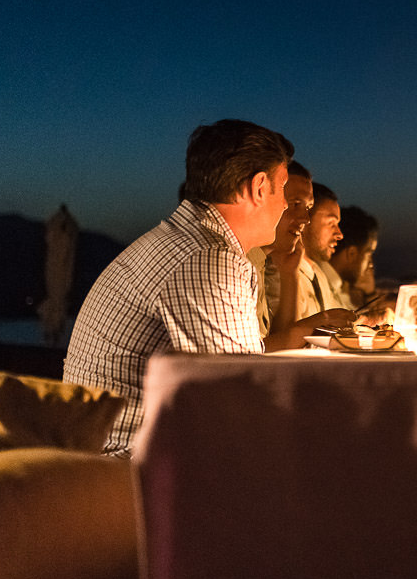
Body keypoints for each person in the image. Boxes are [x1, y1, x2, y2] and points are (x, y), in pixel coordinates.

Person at [63, 119, 301, 457]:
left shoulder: (181, 240)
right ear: (260, 187)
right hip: (125, 468)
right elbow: (240, 398)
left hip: (103, 453)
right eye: (283, 189)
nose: (285, 206)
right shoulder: (208, 259)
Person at [245, 161, 351, 346]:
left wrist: (289, 274)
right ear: (259, 195)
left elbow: (275, 343)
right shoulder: (237, 262)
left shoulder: (260, 262)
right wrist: (317, 323)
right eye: (294, 204)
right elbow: (249, 358)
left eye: (308, 208)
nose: (305, 219)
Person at [299, 184, 348, 315]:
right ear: (305, 219)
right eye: (331, 223)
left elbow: (339, 322)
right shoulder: (282, 275)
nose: (339, 234)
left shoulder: (318, 274)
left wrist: (372, 319)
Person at [331, 205, 380, 312]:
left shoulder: (340, 290)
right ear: (352, 253)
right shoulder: (326, 289)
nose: (371, 264)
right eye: (368, 254)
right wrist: (370, 295)